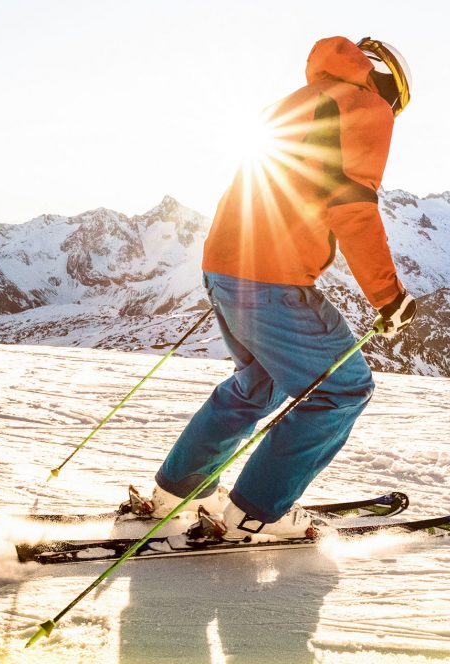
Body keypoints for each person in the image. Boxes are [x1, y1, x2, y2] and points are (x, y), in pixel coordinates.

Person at [150, 35, 417, 541]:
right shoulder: (366, 106)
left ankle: (178, 490)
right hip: (270, 277)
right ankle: (257, 511)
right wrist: (389, 297)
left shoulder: (297, 101)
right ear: (390, 86)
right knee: (344, 388)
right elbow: (353, 206)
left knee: (259, 384)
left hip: (224, 265)